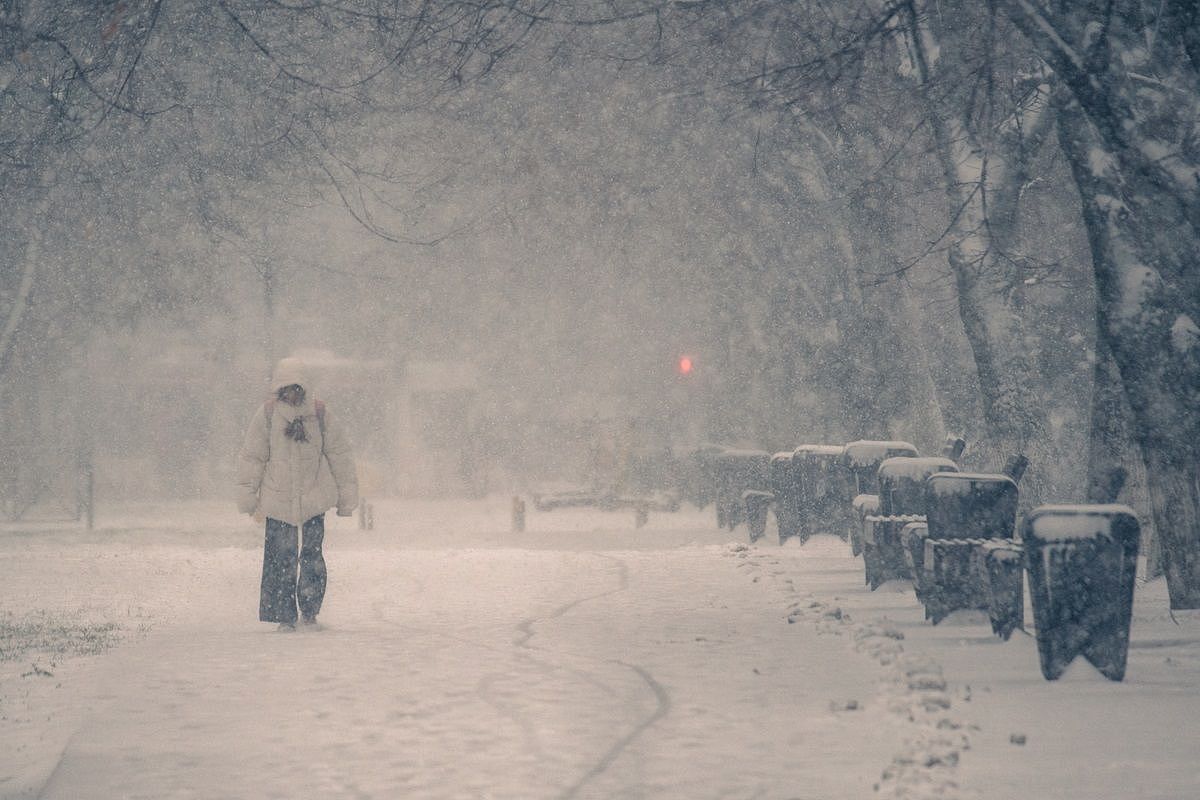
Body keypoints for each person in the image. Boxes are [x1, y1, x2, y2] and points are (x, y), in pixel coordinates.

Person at [236, 357, 358, 631]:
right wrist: (247, 495)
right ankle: (283, 615)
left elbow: (340, 455)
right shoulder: (267, 415)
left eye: (296, 387)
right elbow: (252, 457)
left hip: (314, 498)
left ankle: (310, 611)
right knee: (279, 559)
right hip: (277, 499)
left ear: (303, 387)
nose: (291, 393)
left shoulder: (320, 414)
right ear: (279, 389)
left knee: (312, 557)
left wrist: (347, 497)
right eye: (286, 388)